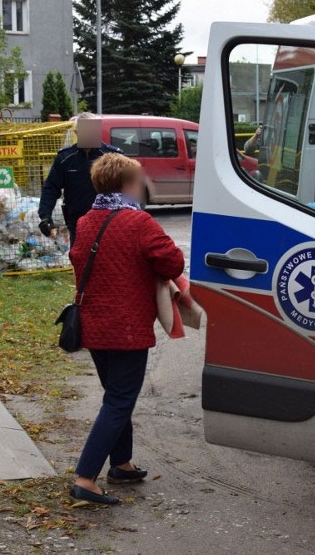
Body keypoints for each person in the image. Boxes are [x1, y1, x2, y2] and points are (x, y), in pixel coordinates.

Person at [68, 153, 184, 506]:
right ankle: (85, 478)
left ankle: (121, 463)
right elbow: (173, 261)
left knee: (116, 397)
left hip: (94, 326)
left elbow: (76, 258)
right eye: (139, 179)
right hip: (127, 328)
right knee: (119, 400)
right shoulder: (140, 223)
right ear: (128, 184)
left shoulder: (87, 220)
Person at [39, 113, 122, 244]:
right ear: (77, 133)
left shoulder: (112, 157)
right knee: (79, 259)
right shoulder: (65, 158)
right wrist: (45, 215)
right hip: (77, 222)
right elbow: (51, 188)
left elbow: (127, 188)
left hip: (108, 221)